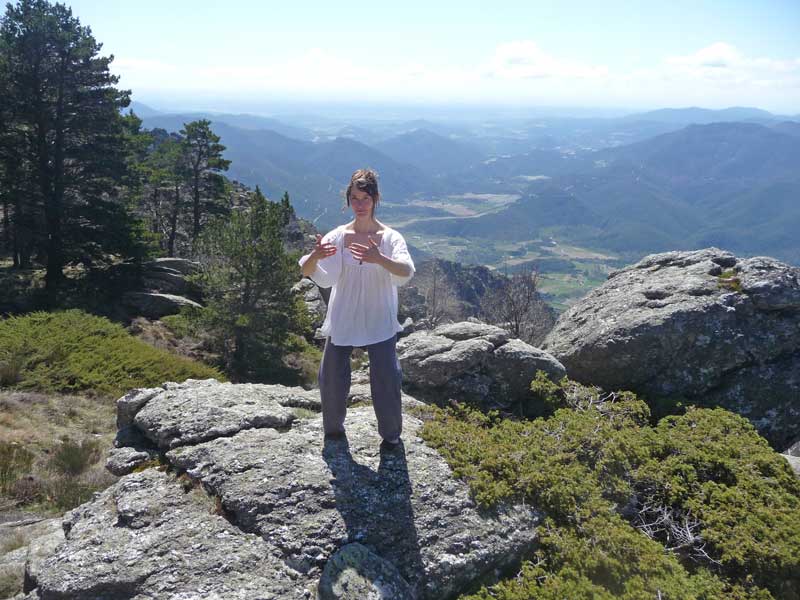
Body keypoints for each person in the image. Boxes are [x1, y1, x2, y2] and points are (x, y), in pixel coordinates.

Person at [298, 168, 415, 451]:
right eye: (354, 198)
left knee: (387, 378)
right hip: (343, 316)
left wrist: (379, 258)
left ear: (375, 199)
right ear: (348, 200)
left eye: (365, 198)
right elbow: (314, 273)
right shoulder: (339, 236)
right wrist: (315, 255)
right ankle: (333, 433)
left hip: (379, 318)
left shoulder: (390, 238)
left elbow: (406, 272)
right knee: (332, 379)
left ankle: (391, 437)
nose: (360, 205)